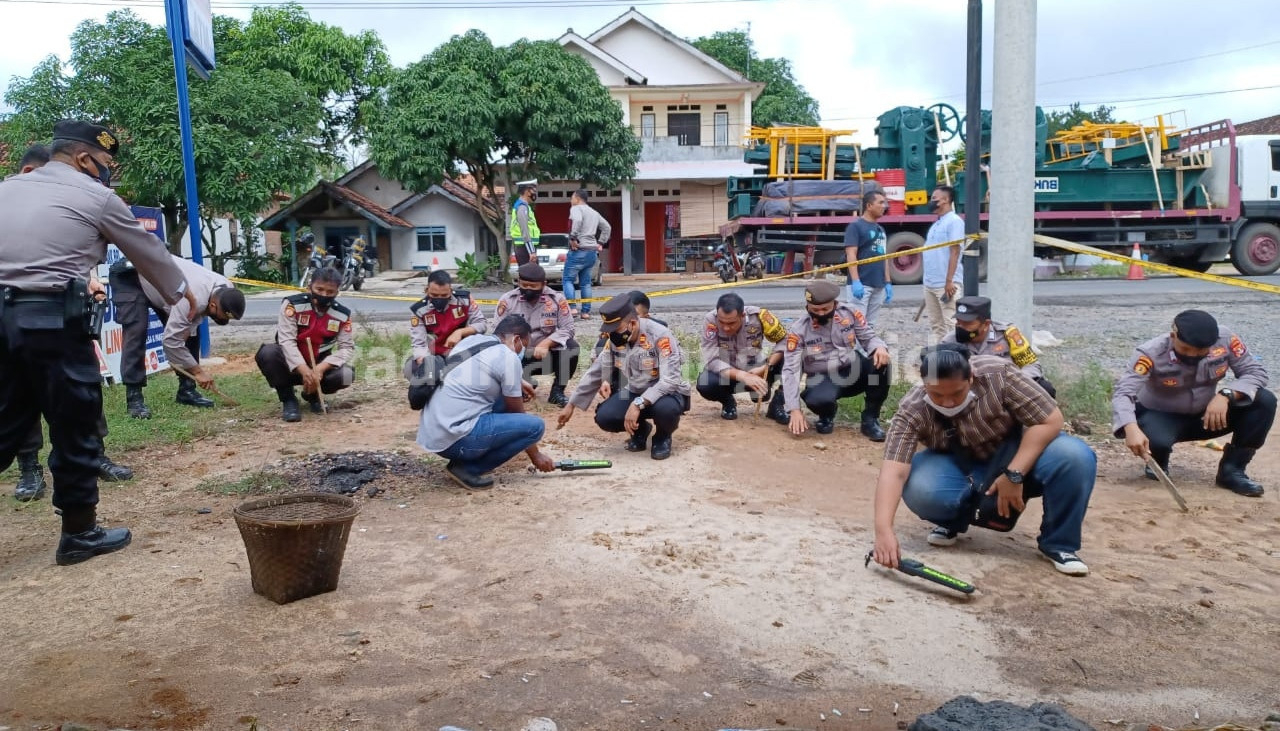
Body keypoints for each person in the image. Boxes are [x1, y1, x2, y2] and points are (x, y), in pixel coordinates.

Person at [0, 119, 193, 565]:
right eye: (106, 162)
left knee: (5, 421)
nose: (108, 171)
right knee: (75, 423)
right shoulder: (96, 197)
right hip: (49, 321)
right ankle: (79, 534)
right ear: (85, 158)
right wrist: (184, 294)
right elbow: (151, 256)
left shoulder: (8, 187)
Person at [871, 344, 1096, 576]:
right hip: (963, 467)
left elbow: (1051, 420)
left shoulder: (999, 374)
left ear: (971, 377)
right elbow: (893, 471)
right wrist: (883, 530)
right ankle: (951, 522)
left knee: (1074, 456)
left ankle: (1058, 544)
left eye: (956, 393)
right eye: (937, 395)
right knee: (921, 485)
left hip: (1019, 455)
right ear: (924, 384)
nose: (948, 403)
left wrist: (1014, 474)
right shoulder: (912, 409)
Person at [5, 143, 135, 501]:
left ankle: (95, 457)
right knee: (21, 398)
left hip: (68, 315)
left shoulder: (63, 205)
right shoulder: (12, 203)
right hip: (20, 317)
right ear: (33, 173)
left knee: (82, 392)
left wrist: (87, 281)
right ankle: (30, 468)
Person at [1111, 309, 1273, 497]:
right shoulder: (1150, 353)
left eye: (1201, 352)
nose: (1193, 356)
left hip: (1207, 416)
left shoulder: (1226, 340)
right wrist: (1130, 428)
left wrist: (1226, 394)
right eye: (1186, 350)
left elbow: (1255, 372)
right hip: (1161, 416)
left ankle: (1232, 471)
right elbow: (1123, 393)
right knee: (1158, 438)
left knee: (1264, 401)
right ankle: (1158, 460)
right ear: (1173, 336)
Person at [417, 315, 554, 490]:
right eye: (523, 346)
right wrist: (536, 456)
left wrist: (518, 381)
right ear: (517, 339)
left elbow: (477, 370)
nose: (522, 352)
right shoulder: (507, 357)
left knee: (504, 398)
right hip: (455, 441)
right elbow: (516, 411)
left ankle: (466, 456)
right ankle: (467, 469)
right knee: (534, 426)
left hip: (433, 432)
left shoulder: (472, 341)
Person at [558, 293, 691, 460]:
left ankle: (662, 437)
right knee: (605, 417)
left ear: (633, 323)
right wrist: (572, 404)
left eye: (615, 329)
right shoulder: (617, 338)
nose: (611, 335)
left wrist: (638, 404)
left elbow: (670, 381)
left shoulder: (660, 335)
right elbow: (597, 370)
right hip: (636, 389)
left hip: (667, 392)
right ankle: (641, 430)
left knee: (666, 410)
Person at [768, 279, 891, 440]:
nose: (820, 313)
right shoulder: (799, 330)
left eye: (825, 309)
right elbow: (791, 370)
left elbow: (869, 337)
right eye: (815, 310)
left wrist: (879, 347)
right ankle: (827, 414)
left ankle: (870, 419)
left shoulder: (849, 313)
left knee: (882, 363)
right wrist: (794, 409)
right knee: (817, 400)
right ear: (807, 307)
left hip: (851, 367)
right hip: (823, 376)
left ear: (835, 304)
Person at [134, 254, 246, 409]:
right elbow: (171, 342)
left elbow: (197, 318)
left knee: (191, 335)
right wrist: (198, 371)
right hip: (137, 275)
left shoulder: (226, 287)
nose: (225, 320)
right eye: (223, 315)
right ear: (213, 305)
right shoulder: (191, 300)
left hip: (167, 284)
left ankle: (187, 392)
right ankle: (134, 399)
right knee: (136, 334)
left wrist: (187, 334)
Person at [254, 267, 356, 422]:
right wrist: (305, 370)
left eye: (330, 292)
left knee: (347, 375)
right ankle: (288, 399)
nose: (324, 295)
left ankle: (312, 396)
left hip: (319, 363)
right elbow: (286, 340)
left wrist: (320, 369)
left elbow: (347, 348)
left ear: (337, 292)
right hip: (288, 363)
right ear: (310, 287)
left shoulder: (342, 314)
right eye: (319, 289)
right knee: (268, 353)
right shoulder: (292, 305)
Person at [495, 262, 578, 406]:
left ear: (544, 284)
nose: (528, 290)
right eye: (524, 285)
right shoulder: (507, 300)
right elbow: (498, 331)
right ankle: (521, 384)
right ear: (518, 281)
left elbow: (569, 328)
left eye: (533, 287)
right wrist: (514, 348)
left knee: (571, 347)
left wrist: (546, 343)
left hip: (545, 355)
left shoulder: (556, 300)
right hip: (517, 357)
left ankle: (557, 392)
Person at [696, 292, 787, 420]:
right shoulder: (710, 320)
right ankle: (728, 402)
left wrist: (766, 367)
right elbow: (712, 359)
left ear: (742, 315)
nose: (726, 328)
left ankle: (778, 403)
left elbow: (784, 341)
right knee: (705, 384)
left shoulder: (760, 316)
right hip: (729, 372)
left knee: (794, 356)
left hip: (758, 369)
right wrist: (744, 376)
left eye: (731, 323)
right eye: (722, 322)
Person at [942, 296, 1055, 398]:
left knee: (1045, 388)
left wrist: (1016, 383)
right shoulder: (949, 342)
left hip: (1010, 387)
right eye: (958, 322)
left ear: (986, 324)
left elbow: (1031, 365)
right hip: (972, 391)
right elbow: (936, 374)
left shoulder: (1009, 335)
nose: (961, 327)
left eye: (967, 324)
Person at [407, 269, 487, 363]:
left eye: (444, 295)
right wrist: (425, 363)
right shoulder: (419, 310)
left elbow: (481, 324)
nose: (439, 299)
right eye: (434, 295)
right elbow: (419, 344)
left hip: (465, 352)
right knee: (412, 368)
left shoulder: (464, 300)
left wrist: (460, 332)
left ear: (451, 290)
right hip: (436, 356)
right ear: (426, 290)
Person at [843, 190, 893, 332]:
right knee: (858, 324)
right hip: (862, 284)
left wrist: (888, 282)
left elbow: (884, 256)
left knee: (870, 325)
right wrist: (856, 281)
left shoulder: (880, 229)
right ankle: (857, 353)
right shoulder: (856, 227)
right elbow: (851, 254)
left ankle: (867, 352)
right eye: (881, 203)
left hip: (878, 284)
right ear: (869, 205)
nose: (885, 206)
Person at [922, 185, 965, 341]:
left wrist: (949, 281)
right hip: (931, 284)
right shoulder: (937, 224)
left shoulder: (954, 222)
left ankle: (955, 360)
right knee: (936, 326)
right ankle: (941, 360)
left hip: (946, 285)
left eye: (935, 198)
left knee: (951, 324)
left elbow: (955, 251)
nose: (931, 202)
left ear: (946, 200)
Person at [565, 189, 611, 320]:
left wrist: (573, 238)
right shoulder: (594, 212)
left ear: (578, 199)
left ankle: (572, 308)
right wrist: (601, 242)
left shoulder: (576, 208)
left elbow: (577, 221)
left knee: (568, 279)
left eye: (572, 198)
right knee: (585, 283)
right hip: (591, 251)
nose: (570, 200)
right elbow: (607, 227)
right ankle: (585, 312)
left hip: (578, 249)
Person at [508, 179, 540, 266]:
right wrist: (531, 251)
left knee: (530, 275)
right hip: (524, 247)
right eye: (534, 190)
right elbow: (524, 229)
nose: (535, 193)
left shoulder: (524, 206)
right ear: (527, 192)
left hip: (524, 246)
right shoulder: (522, 207)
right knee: (530, 276)